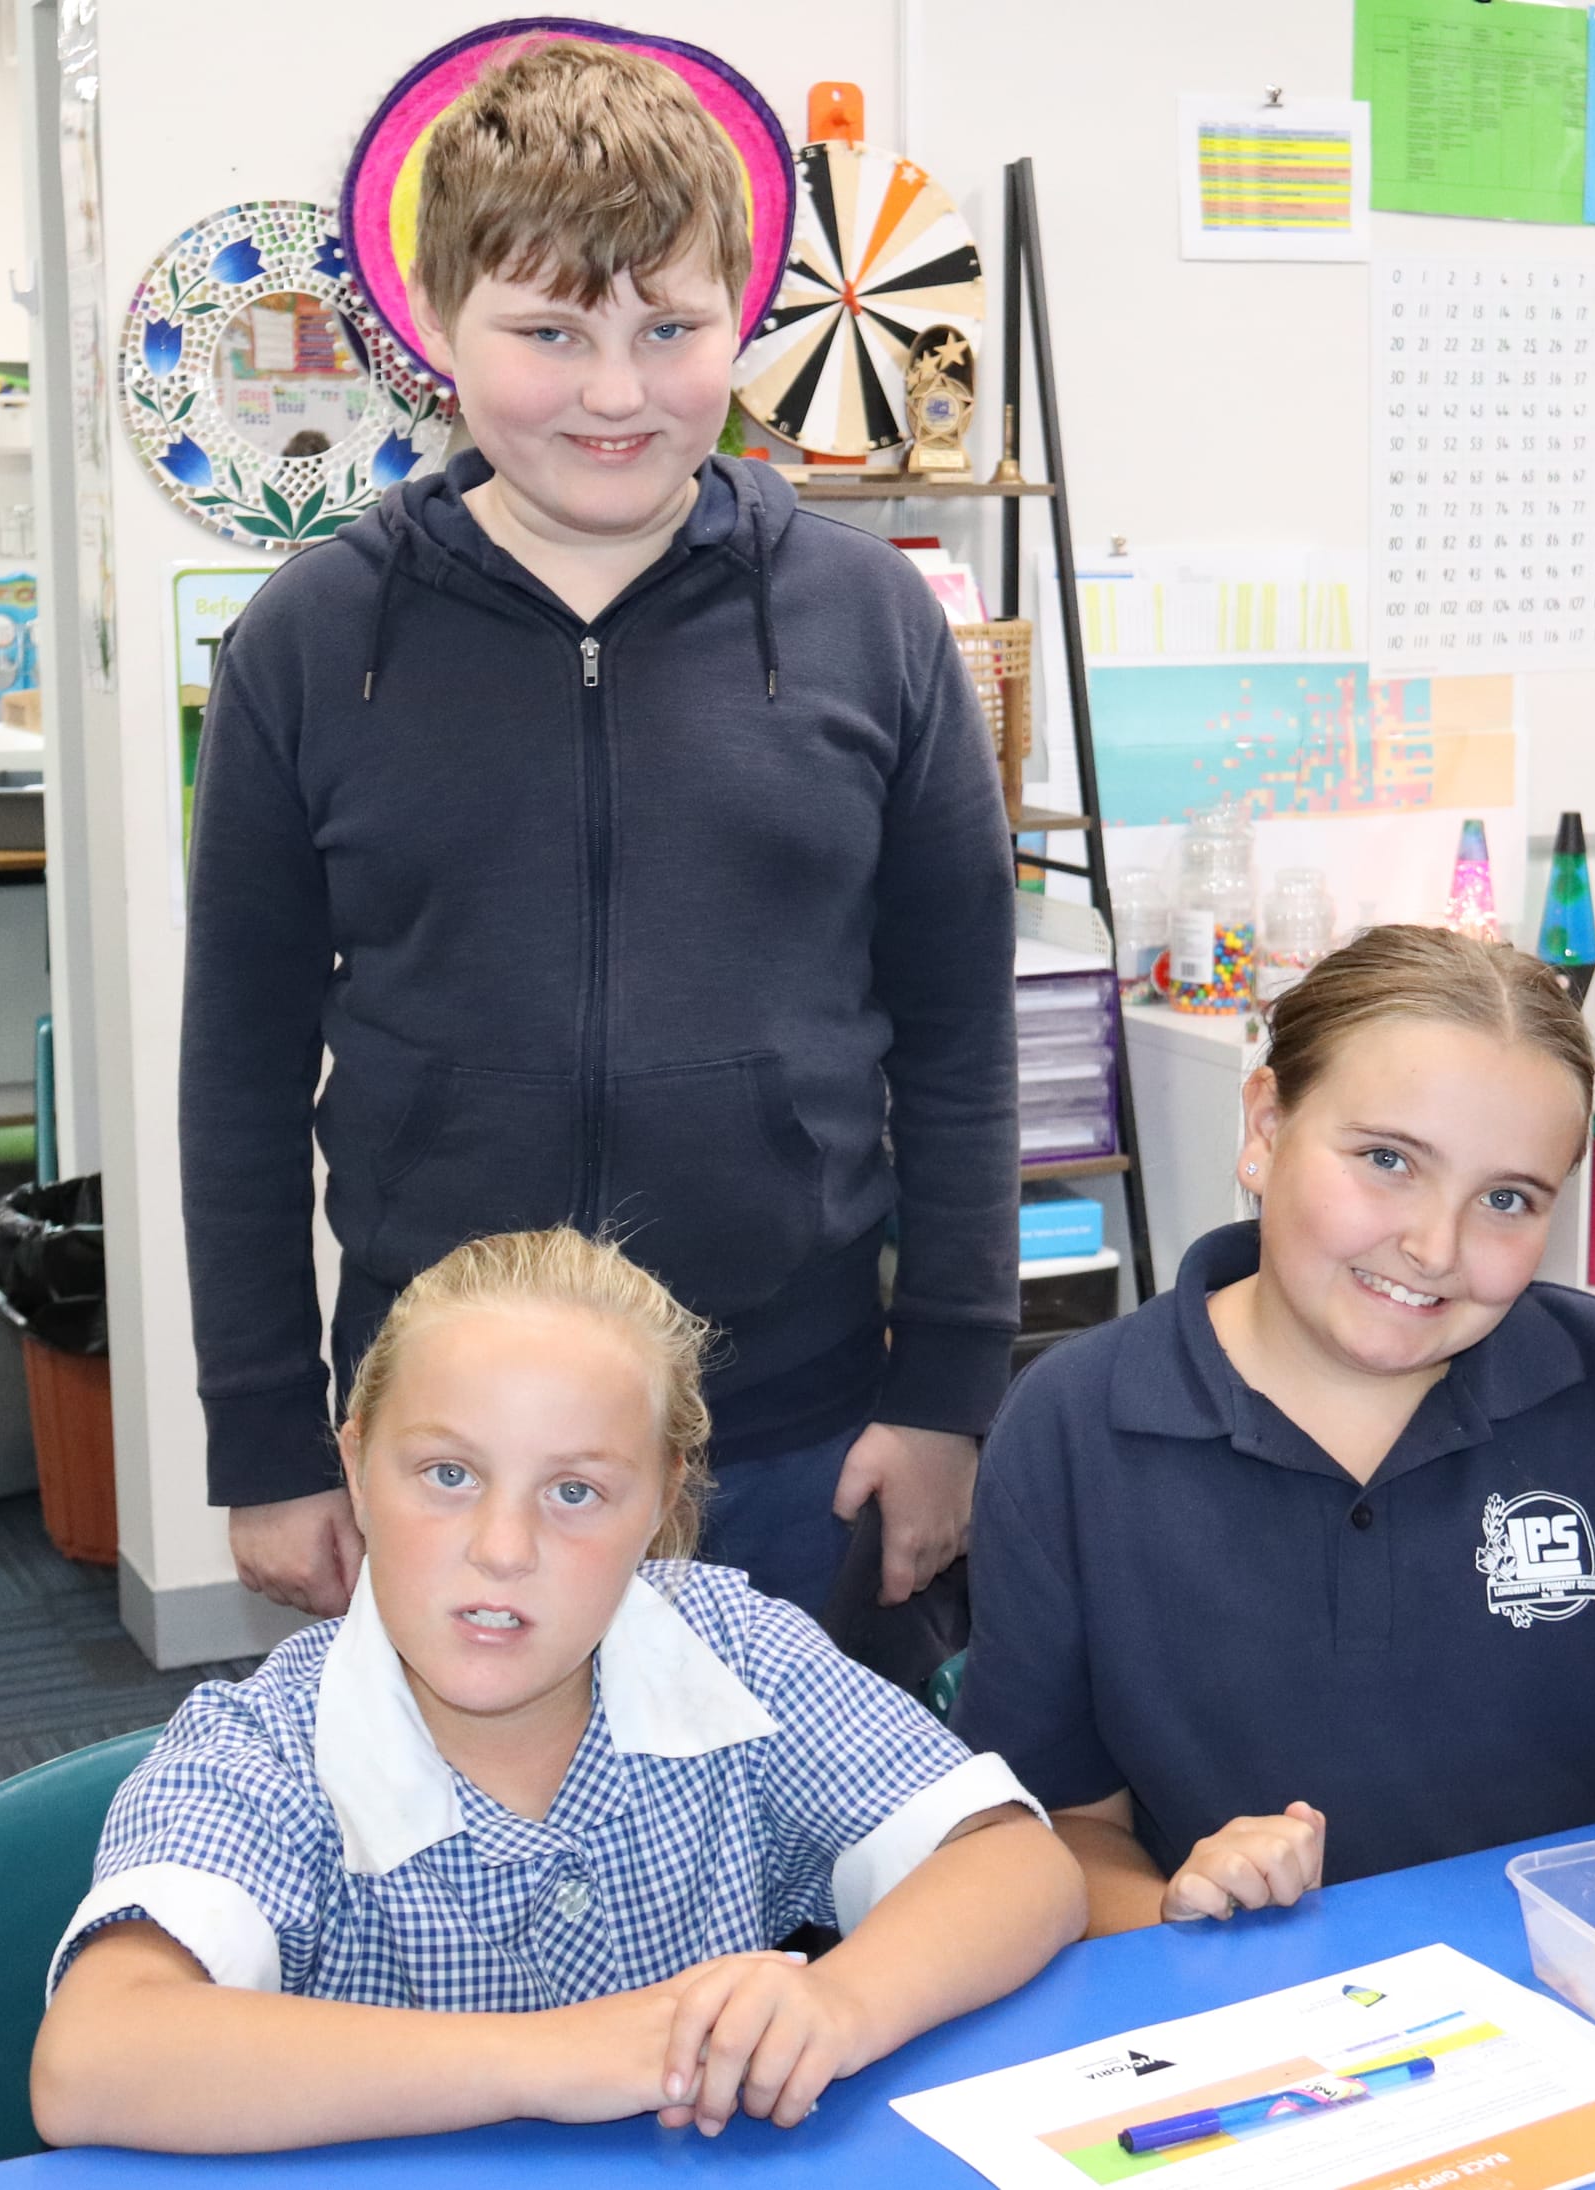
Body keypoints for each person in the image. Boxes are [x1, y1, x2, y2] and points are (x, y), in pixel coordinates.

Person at [179, 38, 1016, 1625]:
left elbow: (964, 1028)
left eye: (670, 327)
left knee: (815, 1865)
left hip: (799, 1426)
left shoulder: (870, 623)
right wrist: (268, 1434)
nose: (617, 392)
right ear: (435, 325)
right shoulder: (306, 641)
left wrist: (952, 1391)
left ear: (739, 318)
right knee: (451, 1856)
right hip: (443, 1438)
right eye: (549, 331)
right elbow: (236, 1072)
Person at [952, 925, 1595, 1935]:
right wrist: (1175, 1907)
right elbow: (1062, 1832)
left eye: (1507, 1198)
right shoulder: (1075, 1425)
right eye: (1386, 1159)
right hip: (1275, 2026)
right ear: (1264, 1126)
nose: (1434, 1246)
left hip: (1594, 2000)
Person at [32, 1230, 1083, 2152]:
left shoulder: (732, 1651)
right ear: (355, 1466)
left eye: (575, 1492)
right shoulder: (260, 1749)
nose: (502, 1549)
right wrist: (555, 2059)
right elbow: (95, 2056)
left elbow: (1018, 1865)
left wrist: (843, 2001)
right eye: (446, 1474)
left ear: (662, 1503)